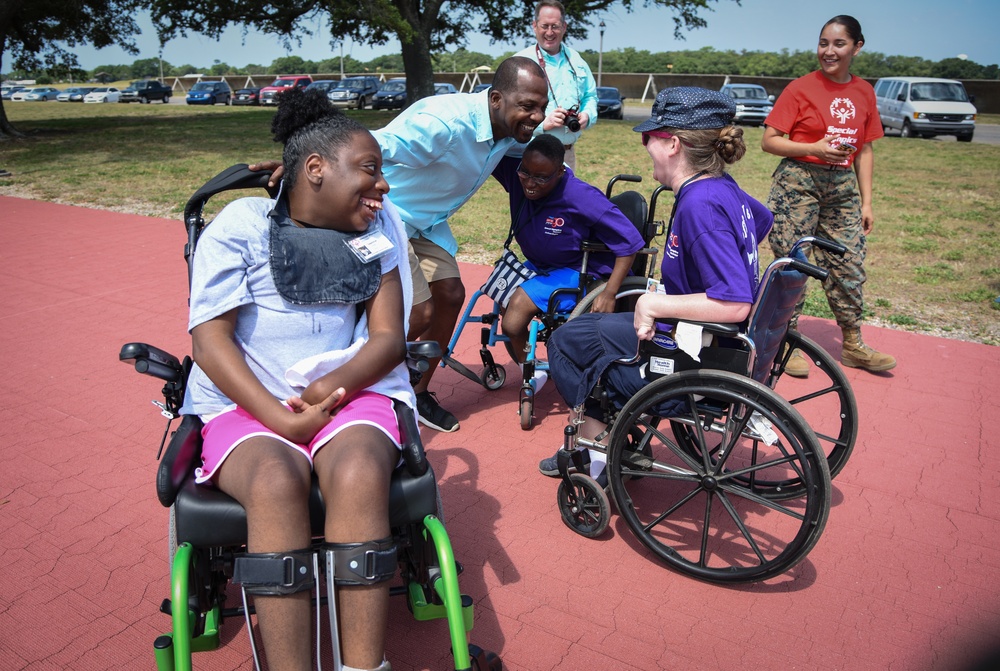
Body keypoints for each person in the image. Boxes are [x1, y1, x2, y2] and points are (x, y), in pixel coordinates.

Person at [181, 88, 413, 671]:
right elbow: (209, 339)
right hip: (247, 404)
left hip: (348, 394)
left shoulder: (379, 229)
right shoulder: (242, 225)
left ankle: (364, 666)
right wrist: (280, 417)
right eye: (369, 170)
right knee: (273, 480)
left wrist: (323, 393)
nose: (382, 185)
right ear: (315, 170)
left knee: (360, 469)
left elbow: (387, 339)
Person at [252, 57, 549, 433]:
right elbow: (372, 144)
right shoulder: (444, 123)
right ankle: (336, 382)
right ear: (496, 100)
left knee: (452, 293)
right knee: (418, 313)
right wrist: (298, 162)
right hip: (386, 213)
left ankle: (418, 391)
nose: (537, 116)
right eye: (528, 106)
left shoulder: (508, 132)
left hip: (427, 224)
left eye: (542, 106)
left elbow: (545, 156)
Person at [539, 87, 773, 484]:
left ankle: (598, 455)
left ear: (673, 144)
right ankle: (607, 438)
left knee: (566, 342)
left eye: (650, 137)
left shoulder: (701, 204)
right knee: (584, 333)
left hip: (694, 353)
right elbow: (761, 219)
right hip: (713, 341)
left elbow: (734, 304)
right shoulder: (720, 185)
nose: (645, 144)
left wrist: (654, 305)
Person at [762, 15, 895, 376]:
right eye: (823, 43)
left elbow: (865, 149)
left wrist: (866, 201)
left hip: (842, 187)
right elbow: (769, 140)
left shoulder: (864, 91)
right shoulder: (800, 88)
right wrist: (814, 148)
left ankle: (852, 343)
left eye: (838, 44)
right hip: (798, 182)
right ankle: (785, 344)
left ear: (857, 47)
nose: (828, 51)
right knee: (795, 261)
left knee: (848, 262)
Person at [491, 133, 644, 386]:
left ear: (560, 172)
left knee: (514, 316)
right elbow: (488, 149)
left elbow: (630, 243)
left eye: (541, 177)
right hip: (543, 265)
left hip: (580, 268)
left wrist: (609, 293)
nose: (530, 183)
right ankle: (531, 370)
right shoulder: (516, 174)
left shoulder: (580, 196)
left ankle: (534, 375)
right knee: (504, 300)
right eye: (525, 173)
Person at [516, 0, 598, 171]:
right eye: (545, 26)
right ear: (534, 26)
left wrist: (587, 115)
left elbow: (590, 96)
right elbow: (509, 112)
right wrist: (543, 124)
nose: (550, 32)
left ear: (564, 27)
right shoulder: (520, 62)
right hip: (532, 151)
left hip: (567, 154)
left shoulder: (577, 60)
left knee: (565, 199)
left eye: (555, 26)